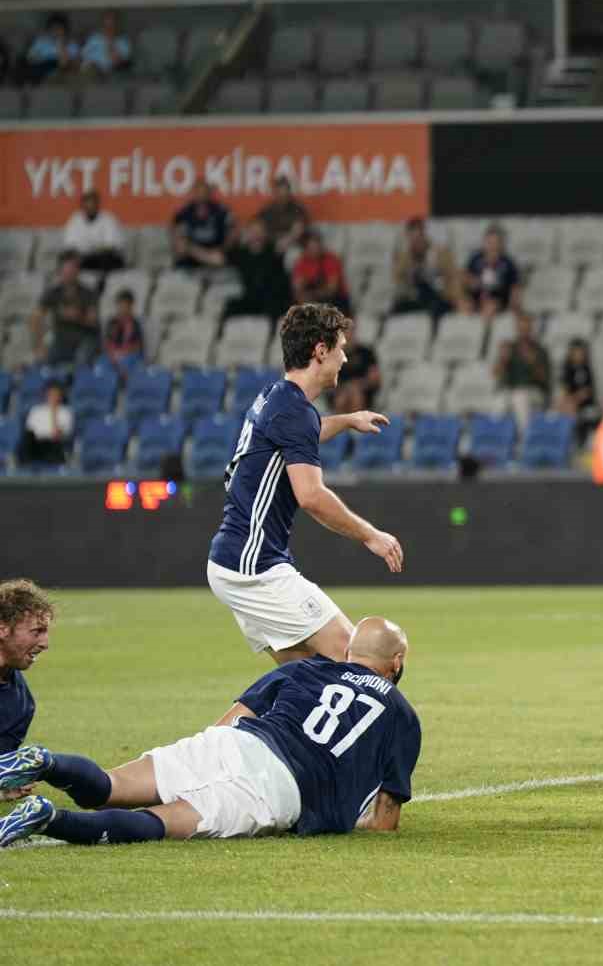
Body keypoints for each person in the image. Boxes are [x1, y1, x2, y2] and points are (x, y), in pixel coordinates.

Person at [0, 616, 419, 847]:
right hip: (280, 788)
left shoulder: (305, 667)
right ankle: (48, 818)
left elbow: (233, 717)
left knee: (110, 784)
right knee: (162, 822)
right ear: (396, 661)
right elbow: (385, 820)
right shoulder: (402, 714)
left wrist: (204, 759)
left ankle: (47, 762)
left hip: (235, 742)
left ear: (349, 652)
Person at [205, 304, 403, 664]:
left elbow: (303, 433)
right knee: (358, 658)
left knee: (302, 678)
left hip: (233, 559)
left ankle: (250, 723)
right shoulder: (293, 410)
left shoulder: (277, 396)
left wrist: (347, 420)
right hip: (255, 566)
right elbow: (311, 496)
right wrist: (370, 535)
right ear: (320, 350)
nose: (345, 358)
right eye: (340, 347)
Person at [192, 218, 291, 322]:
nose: (256, 235)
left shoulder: (273, 249)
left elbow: (286, 243)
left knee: (277, 305)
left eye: (259, 231)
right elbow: (214, 258)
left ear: (265, 234)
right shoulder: (241, 253)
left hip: (272, 300)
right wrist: (190, 248)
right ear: (248, 233)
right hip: (250, 299)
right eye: (253, 231)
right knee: (228, 307)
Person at [0, 581, 52, 756]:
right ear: (3, 629)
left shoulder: (21, 703)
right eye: (37, 632)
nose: (45, 644)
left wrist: (11, 777)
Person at [32, 253, 100, 366]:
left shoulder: (88, 293)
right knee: (41, 364)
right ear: (60, 272)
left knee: (81, 362)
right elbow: (35, 318)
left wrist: (77, 316)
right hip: (60, 342)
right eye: (67, 271)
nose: (70, 274)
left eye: (73, 271)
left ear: (78, 272)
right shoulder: (53, 293)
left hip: (84, 340)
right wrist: (40, 345)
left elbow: (93, 321)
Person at [392, 218, 464, 319]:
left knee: (436, 305)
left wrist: (452, 295)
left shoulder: (440, 252)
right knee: (396, 308)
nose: (416, 241)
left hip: (439, 297)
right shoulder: (405, 257)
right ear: (408, 237)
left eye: (419, 237)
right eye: (413, 238)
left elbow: (453, 275)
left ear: (424, 235)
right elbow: (396, 278)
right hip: (416, 298)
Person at [494, 312, 551, 424]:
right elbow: (496, 374)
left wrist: (532, 362)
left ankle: (524, 437)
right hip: (511, 390)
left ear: (531, 329)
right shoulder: (510, 347)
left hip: (534, 392)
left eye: (526, 328)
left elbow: (544, 379)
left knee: (520, 397)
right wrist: (503, 360)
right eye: (521, 328)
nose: (523, 332)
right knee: (497, 401)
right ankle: (500, 437)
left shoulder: (539, 349)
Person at [172, 182, 235, 271]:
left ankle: (208, 259)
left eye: (204, 192)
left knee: (220, 258)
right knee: (182, 247)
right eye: (198, 192)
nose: (201, 196)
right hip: (192, 254)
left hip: (215, 251)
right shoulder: (185, 212)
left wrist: (223, 248)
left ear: (209, 193)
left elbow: (232, 231)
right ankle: (207, 258)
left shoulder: (220, 210)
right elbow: (177, 234)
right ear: (194, 194)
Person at [463, 223, 522, 316]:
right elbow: (466, 279)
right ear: (484, 242)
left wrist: (513, 305)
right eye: (490, 242)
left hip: (498, 302)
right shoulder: (475, 259)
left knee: (490, 308)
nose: (492, 246)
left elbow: (514, 288)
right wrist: (472, 282)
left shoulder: (508, 263)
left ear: (501, 244)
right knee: (465, 306)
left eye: (496, 243)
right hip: (476, 298)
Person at [62, 190, 126, 273]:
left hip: (105, 258)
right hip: (83, 258)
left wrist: (93, 250)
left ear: (97, 205)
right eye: (87, 205)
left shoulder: (108, 218)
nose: (90, 208)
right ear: (83, 206)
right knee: (68, 259)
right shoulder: (75, 219)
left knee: (107, 258)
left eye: (93, 204)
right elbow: (70, 245)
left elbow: (111, 246)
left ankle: (101, 283)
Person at [289, 229, 349, 312]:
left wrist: (312, 296)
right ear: (305, 249)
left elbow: (332, 289)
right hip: (311, 304)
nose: (316, 250)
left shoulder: (331, 260)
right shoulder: (301, 263)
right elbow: (297, 289)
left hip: (335, 303)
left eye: (317, 246)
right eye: (311, 248)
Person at [331, 316, 381, 414]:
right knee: (341, 398)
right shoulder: (334, 356)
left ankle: (353, 425)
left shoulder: (366, 352)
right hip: (341, 392)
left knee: (355, 394)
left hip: (363, 392)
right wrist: (346, 388)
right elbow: (329, 381)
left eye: (350, 330)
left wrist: (358, 385)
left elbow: (375, 379)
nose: (347, 335)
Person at [20, 382, 73, 467]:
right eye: (51, 394)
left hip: (53, 444)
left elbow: (57, 435)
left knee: (55, 443)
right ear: (46, 395)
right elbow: (29, 433)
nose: (53, 397)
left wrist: (54, 412)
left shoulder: (65, 412)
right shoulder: (36, 410)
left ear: (60, 396)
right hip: (36, 444)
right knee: (26, 440)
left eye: (56, 394)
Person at [558, 339, 601, 442]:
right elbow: (565, 391)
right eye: (576, 352)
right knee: (569, 412)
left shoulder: (587, 369)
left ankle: (588, 442)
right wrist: (572, 400)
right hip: (571, 406)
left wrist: (576, 398)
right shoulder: (567, 370)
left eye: (580, 352)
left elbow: (588, 392)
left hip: (587, 405)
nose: (578, 355)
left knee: (592, 416)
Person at [257, 177, 310, 256]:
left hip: (291, 244)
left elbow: (297, 231)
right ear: (275, 192)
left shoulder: (297, 209)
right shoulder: (268, 210)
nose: (282, 194)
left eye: (284, 191)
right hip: (271, 244)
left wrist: (285, 241)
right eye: (279, 191)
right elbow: (258, 226)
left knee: (293, 254)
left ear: (289, 192)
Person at [102, 289, 145, 376]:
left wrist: (123, 353)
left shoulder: (135, 323)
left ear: (131, 307)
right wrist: (114, 354)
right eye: (121, 305)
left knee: (128, 362)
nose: (123, 309)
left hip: (129, 355)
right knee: (102, 362)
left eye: (126, 306)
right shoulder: (111, 322)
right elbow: (107, 343)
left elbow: (138, 347)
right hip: (113, 354)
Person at [23, 13, 76, 83]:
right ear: (49, 30)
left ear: (65, 30)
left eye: (59, 29)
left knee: (64, 65)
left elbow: (70, 61)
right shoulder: (41, 42)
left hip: (62, 69)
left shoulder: (71, 44)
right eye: (53, 29)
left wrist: (61, 45)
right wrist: (40, 58)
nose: (56, 31)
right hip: (42, 67)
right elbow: (30, 58)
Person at [80, 11, 132, 77]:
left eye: (112, 21)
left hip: (114, 76)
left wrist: (112, 44)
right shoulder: (94, 39)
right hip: (92, 75)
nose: (109, 25)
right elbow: (83, 57)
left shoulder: (123, 42)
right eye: (107, 21)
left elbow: (121, 62)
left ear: (117, 23)